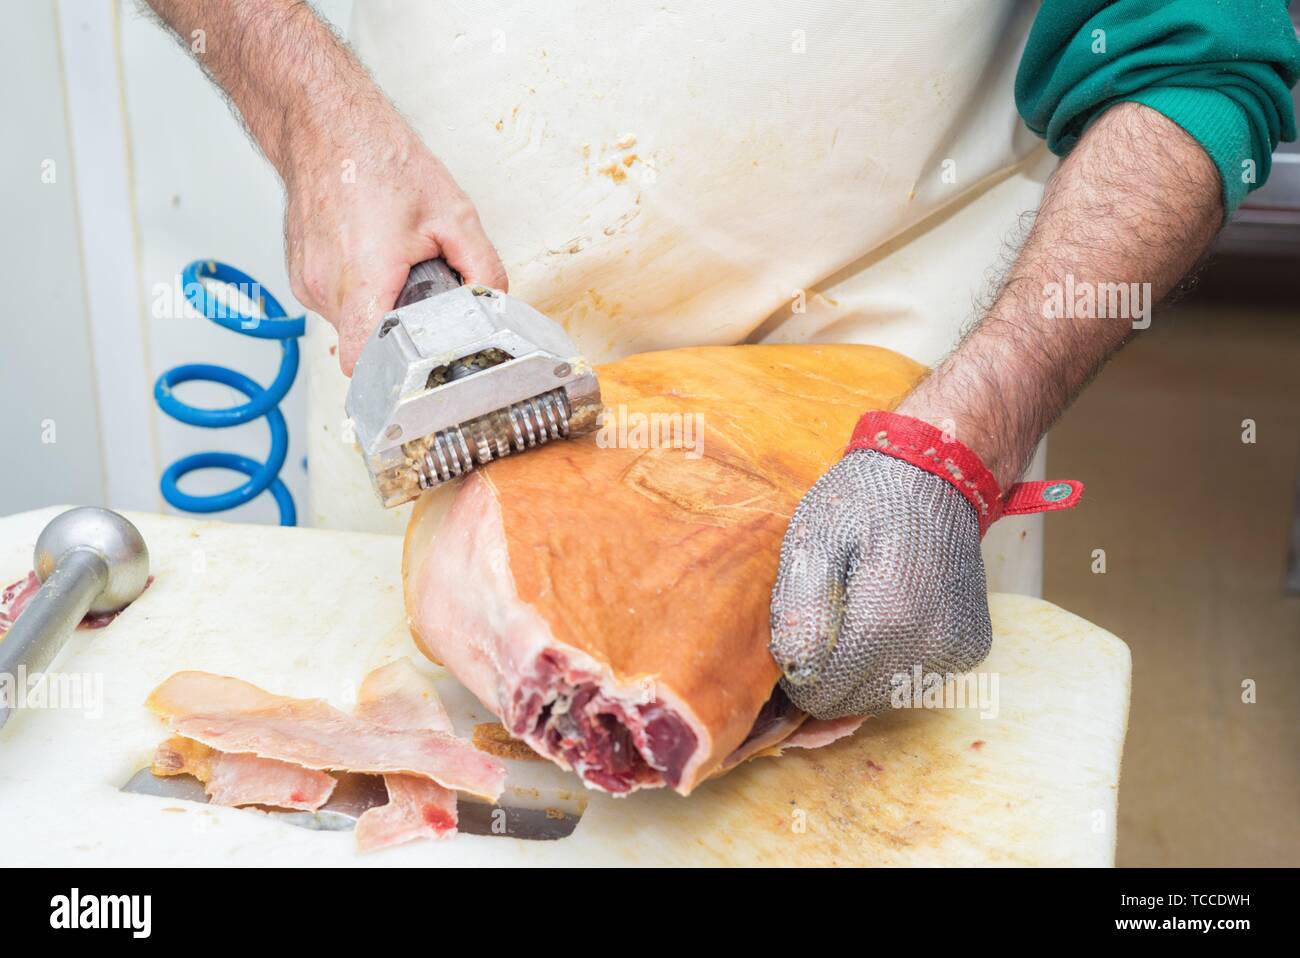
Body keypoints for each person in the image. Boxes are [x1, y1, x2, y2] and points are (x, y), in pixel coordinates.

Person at [145, 0, 1299, 718]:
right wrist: (311, 113)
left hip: (890, 432)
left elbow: (1194, 58)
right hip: (460, 377)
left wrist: (961, 440)